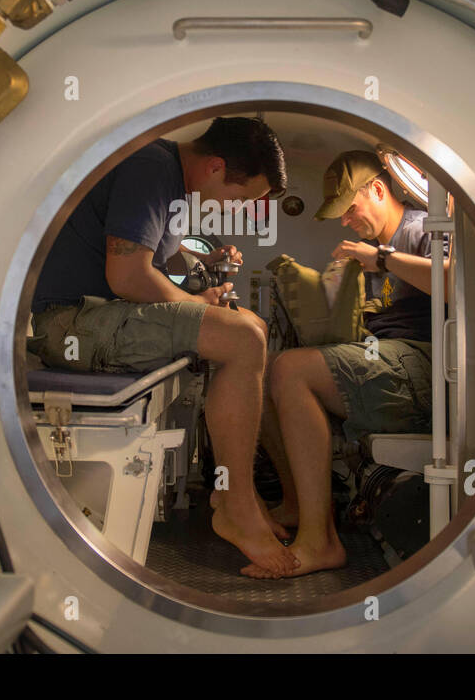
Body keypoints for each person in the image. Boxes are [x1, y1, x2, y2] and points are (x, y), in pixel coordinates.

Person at [27, 116, 299, 575]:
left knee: (252, 328)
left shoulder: (168, 179)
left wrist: (202, 263)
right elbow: (129, 274)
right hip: (69, 325)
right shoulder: (151, 166)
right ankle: (236, 507)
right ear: (215, 167)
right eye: (242, 197)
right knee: (242, 338)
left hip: (95, 317)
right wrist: (196, 303)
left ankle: (244, 494)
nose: (237, 210)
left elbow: (152, 252)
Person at [247, 150, 442, 579]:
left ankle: (321, 542)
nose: (345, 221)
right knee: (260, 372)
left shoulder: (422, 227)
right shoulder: (372, 250)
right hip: (383, 356)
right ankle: (299, 504)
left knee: (291, 371)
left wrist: (381, 260)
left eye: (349, 209)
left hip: (425, 367)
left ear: (377, 190)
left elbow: (455, 282)